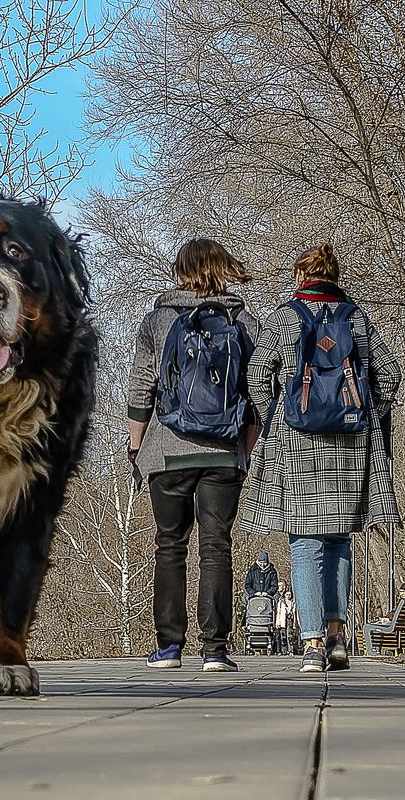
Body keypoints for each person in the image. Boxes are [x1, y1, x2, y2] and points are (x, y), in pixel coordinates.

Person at [241, 243, 401, 674]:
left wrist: (277, 413)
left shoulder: (285, 317)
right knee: (339, 539)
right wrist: (368, 415)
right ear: (334, 274)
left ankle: (311, 643)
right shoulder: (357, 318)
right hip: (350, 443)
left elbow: (257, 374)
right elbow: (390, 374)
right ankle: (337, 637)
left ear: (301, 277)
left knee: (305, 540)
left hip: (298, 443)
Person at [128, 238, 260, 673]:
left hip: (167, 450)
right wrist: (245, 445)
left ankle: (168, 647)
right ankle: (215, 650)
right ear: (223, 267)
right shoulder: (242, 321)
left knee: (170, 546)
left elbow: (141, 388)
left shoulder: (157, 320)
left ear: (179, 269)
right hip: (223, 452)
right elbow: (259, 388)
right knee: (216, 547)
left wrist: (135, 446)